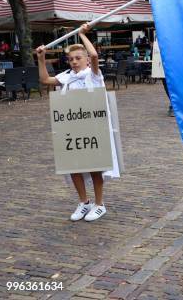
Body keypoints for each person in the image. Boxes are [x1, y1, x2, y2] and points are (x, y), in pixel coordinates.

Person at [36, 23, 118, 222]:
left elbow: (96, 56)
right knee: (73, 165)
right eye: (71, 59)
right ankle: (84, 202)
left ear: (86, 60)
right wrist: (41, 58)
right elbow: (45, 80)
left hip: (93, 127)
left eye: (78, 58)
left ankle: (100, 204)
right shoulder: (66, 77)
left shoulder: (93, 75)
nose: (74, 62)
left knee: (94, 165)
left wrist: (82, 35)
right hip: (72, 128)